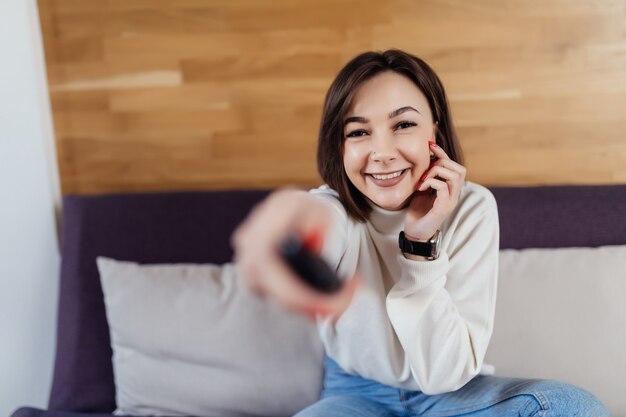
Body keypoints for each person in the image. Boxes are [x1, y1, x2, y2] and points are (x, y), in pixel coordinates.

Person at [232, 49, 609, 417]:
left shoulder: (472, 207)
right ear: (340, 147)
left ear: (435, 131)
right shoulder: (334, 209)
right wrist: (285, 226)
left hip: (454, 394)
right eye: (359, 131)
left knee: (572, 409)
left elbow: (444, 374)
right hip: (356, 392)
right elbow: (311, 220)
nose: (381, 152)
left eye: (404, 124)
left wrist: (420, 243)